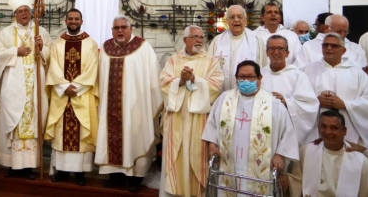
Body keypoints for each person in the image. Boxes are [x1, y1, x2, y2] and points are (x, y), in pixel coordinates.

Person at [202, 60, 299, 195]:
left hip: (261, 168)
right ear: (236, 79)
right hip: (230, 162)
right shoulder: (224, 99)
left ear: (260, 78)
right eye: (241, 77)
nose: (246, 80)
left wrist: (280, 155)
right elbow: (212, 124)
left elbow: (287, 133)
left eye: (251, 77)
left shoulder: (274, 104)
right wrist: (212, 146)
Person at [95, 15, 163, 193]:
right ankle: (114, 175)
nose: (119, 31)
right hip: (110, 107)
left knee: (134, 139)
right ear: (112, 30)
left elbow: (154, 77)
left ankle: (135, 178)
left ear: (130, 28)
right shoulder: (106, 47)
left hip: (136, 107)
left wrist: (151, 103)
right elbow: (99, 77)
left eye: (123, 27)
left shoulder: (142, 47)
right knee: (112, 140)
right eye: (116, 28)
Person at [0, 0, 51, 180]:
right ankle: (12, 164)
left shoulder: (40, 30)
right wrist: (15, 51)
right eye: (20, 11)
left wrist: (42, 48)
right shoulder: (7, 32)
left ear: (31, 12)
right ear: (15, 14)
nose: (24, 14)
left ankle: (28, 166)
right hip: (13, 87)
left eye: (26, 10)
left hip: (34, 87)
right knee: (15, 123)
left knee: (32, 122)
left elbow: (50, 55)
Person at [160, 25, 224, 197]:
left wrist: (195, 79)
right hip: (177, 117)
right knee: (177, 153)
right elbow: (164, 82)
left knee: (197, 156)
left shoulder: (211, 61)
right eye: (195, 37)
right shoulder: (173, 60)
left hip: (200, 119)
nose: (199, 40)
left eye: (201, 37)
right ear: (185, 40)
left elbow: (217, 85)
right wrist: (180, 81)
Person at [45, 8, 100, 186]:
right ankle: (61, 170)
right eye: (70, 19)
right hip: (62, 95)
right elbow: (52, 67)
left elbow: (93, 68)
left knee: (81, 133)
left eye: (77, 19)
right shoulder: (58, 43)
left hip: (81, 94)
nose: (73, 21)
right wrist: (63, 86)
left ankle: (80, 173)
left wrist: (75, 87)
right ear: (65, 21)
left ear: (81, 22)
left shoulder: (90, 43)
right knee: (61, 132)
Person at [301, 33, 368, 146]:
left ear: (343, 51)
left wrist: (346, 104)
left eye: (334, 46)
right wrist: (315, 100)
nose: (329, 48)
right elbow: (298, 99)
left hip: (349, 130)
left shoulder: (358, 74)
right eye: (325, 45)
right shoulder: (307, 71)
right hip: (315, 129)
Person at [288, 110, 368, 197]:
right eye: (324, 126)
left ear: (344, 131)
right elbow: (296, 182)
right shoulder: (305, 152)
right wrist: (286, 179)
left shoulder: (362, 162)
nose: (328, 132)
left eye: (334, 128)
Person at [260, 35, 319, 146]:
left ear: (287, 53)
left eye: (281, 48)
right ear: (267, 52)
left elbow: (310, 105)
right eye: (272, 48)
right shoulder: (259, 75)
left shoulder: (298, 76)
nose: (276, 52)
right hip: (262, 128)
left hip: (288, 130)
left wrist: (286, 102)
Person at [207, 5, 268, 91]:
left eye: (240, 17)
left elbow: (264, 68)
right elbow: (209, 67)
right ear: (227, 21)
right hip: (221, 93)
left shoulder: (256, 40)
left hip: (248, 92)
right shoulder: (217, 41)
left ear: (246, 20)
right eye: (232, 17)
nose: (236, 20)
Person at [295, 14, 367, 68]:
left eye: (345, 31)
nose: (342, 35)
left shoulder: (356, 49)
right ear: (326, 28)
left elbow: (362, 73)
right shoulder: (308, 47)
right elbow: (301, 71)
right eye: (339, 31)